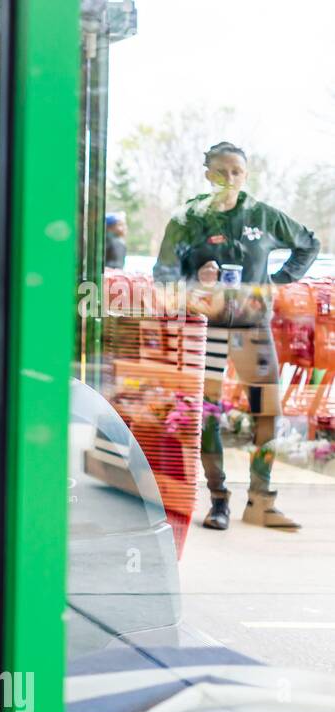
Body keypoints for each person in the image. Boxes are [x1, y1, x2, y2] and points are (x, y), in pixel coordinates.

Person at [154, 141, 319, 532]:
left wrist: (276, 282)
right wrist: (197, 283)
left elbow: (308, 243)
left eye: (236, 172)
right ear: (207, 174)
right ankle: (218, 500)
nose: (228, 179)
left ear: (245, 175)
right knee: (207, 416)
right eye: (220, 172)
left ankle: (260, 500)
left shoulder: (262, 217)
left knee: (266, 413)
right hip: (206, 331)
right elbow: (162, 277)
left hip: (252, 329)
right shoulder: (187, 219)